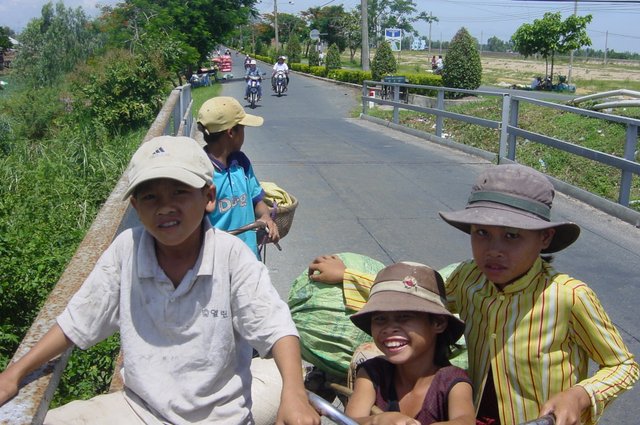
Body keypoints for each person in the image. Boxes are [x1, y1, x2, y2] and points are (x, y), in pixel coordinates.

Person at [0, 135, 318, 424]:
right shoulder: (127, 251)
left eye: (179, 191)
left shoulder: (231, 256)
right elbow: (76, 322)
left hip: (218, 417)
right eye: (150, 197)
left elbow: (276, 327)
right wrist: (14, 373)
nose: (165, 207)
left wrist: (294, 393)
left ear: (208, 197)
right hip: (140, 409)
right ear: (136, 207)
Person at [308, 164, 639, 425]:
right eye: (482, 233)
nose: (493, 250)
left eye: (511, 236)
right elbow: (419, 300)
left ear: (545, 239)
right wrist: (348, 276)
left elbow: (623, 365)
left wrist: (580, 395)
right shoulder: (470, 279)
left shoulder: (568, 297)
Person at [344, 262, 475, 425]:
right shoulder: (372, 373)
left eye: (404, 317)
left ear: (438, 323)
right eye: (380, 319)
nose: (389, 328)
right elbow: (348, 421)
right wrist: (377, 420)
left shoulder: (452, 381)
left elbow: (465, 420)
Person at [196, 96, 279, 259]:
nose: (244, 133)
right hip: (217, 260)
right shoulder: (201, 174)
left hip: (249, 257)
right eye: (242, 128)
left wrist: (265, 217)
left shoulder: (241, 162)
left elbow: (256, 200)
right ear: (231, 132)